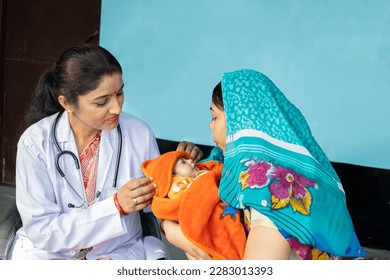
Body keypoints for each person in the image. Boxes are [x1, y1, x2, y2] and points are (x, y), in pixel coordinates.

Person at [9, 43, 202, 260]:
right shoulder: (35, 142)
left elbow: (160, 204)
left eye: (119, 94)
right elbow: (42, 231)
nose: (117, 108)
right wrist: (117, 206)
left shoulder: (138, 133)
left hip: (118, 252)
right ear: (67, 103)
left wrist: (178, 171)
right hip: (50, 255)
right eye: (102, 102)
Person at [163, 69, 366, 260]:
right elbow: (173, 197)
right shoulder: (235, 169)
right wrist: (170, 229)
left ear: (239, 123)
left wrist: (180, 235)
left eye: (215, 116)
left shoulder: (272, 193)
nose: (210, 125)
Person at [141, 151, 246, 260]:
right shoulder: (178, 189)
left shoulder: (205, 171)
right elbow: (181, 206)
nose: (191, 160)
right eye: (183, 162)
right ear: (172, 175)